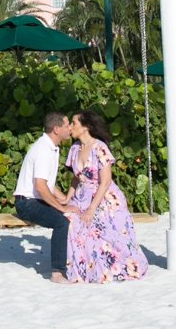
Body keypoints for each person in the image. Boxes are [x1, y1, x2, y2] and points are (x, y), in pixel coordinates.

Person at [60, 110, 148, 283]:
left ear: (85, 127)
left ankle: (106, 269)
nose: (70, 127)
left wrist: (92, 209)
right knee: (70, 220)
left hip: (104, 198)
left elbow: (105, 182)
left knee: (98, 228)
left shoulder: (100, 148)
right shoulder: (75, 149)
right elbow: (76, 178)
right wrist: (66, 198)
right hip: (81, 196)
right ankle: (82, 269)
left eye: (74, 123)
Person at [13, 112, 74, 283]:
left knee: (71, 213)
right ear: (56, 129)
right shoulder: (43, 150)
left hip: (34, 200)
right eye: (67, 125)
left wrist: (65, 200)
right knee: (62, 222)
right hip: (27, 203)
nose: (70, 128)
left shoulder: (50, 147)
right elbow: (40, 185)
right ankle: (57, 272)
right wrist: (61, 207)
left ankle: (73, 262)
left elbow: (48, 183)